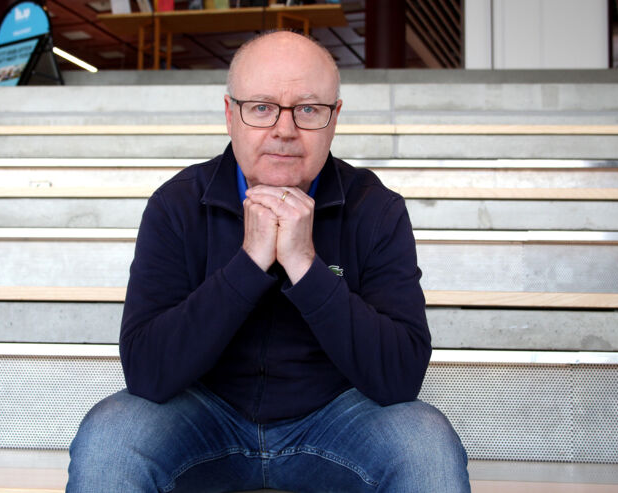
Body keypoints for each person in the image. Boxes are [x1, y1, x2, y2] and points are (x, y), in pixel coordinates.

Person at [67, 30, 470, 493]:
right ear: (229, 115)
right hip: (203, 419)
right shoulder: (177, 204)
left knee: (425, 443)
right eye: (261, 107)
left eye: (308, 109)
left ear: (334, 118)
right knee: (112, 436)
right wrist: (249, 264)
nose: (284, 129)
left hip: (336, 422)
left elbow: (399, 379)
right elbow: (147, 373)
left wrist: (304, 265)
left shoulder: (375, 209)